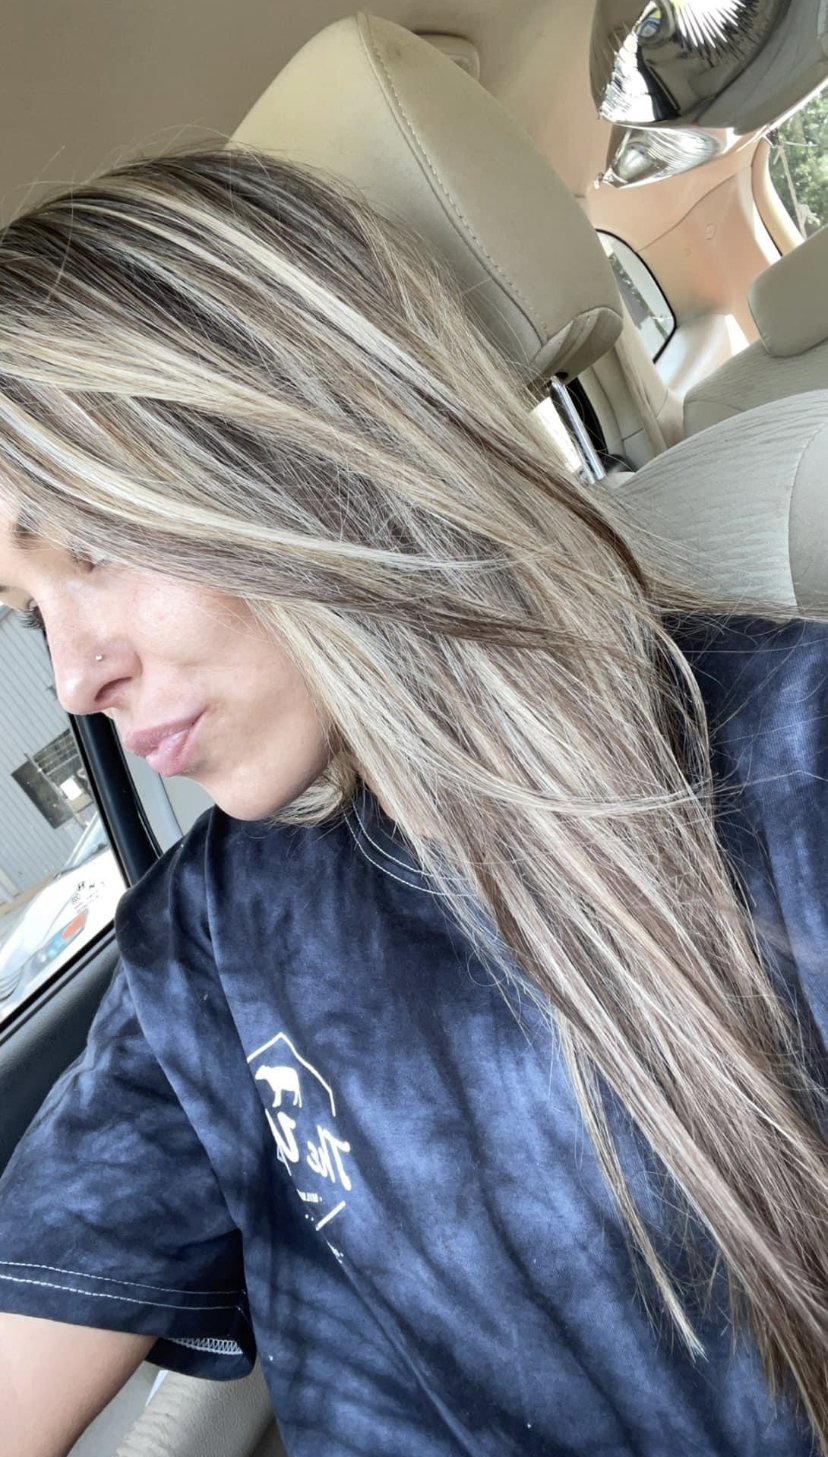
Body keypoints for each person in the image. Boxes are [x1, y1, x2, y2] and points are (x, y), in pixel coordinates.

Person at [0, 147, 824, 1457]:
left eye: (94, 542)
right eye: (26, 612)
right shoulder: (207, 930)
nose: (72, 675)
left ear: (310, 440)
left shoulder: (793, 764)